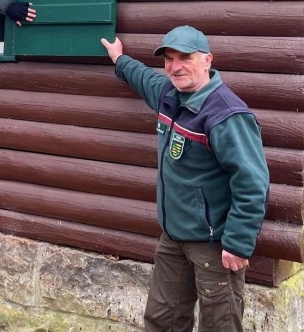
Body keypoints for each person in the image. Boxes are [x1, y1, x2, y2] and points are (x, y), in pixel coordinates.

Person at [100, 26, 269, 332]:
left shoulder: (226, 114)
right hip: (173, 237)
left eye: (185, 58)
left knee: (220, 326)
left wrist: (239, 243)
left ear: (207, 60)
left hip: (214, 246)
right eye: (169, 58)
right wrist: (119, 58)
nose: (175, 67)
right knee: (162, 321)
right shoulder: (168, 94)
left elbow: (252, 181)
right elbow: (143, 78)